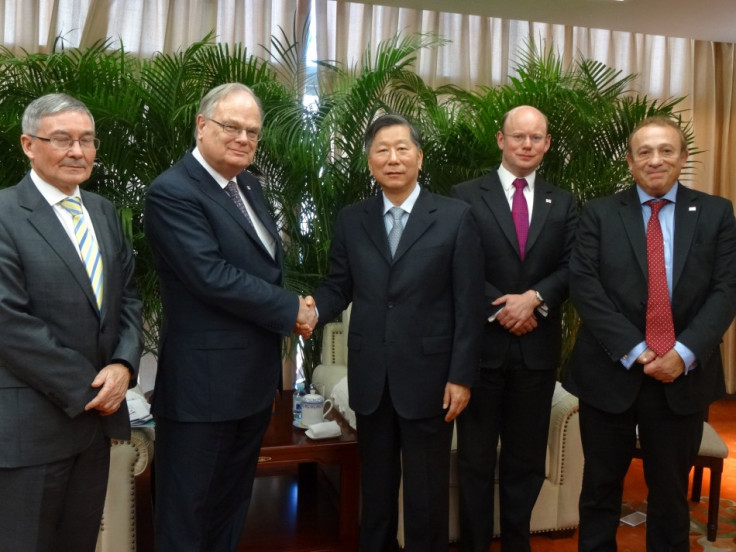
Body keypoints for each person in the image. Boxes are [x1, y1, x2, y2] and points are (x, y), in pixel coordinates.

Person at [144, 82, 317, 552]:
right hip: (203, 390)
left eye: (253, 132)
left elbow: (262, 266)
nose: (244, 139)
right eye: (232, 127)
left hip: (250, 384)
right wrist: (290, 309)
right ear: (202, 126)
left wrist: (292, 306)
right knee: (187, 516)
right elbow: (210, 276)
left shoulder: (248, 185)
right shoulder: (173, 191)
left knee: (231, 506)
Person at [301, 113, 485, 552]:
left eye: (403, 149)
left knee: (426, 496)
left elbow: (469, 303)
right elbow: (337, 285)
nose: (393, 158)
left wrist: (461, 376)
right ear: (370, 162)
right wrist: (310, 310)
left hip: (432, 379)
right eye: (382, 150)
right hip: (373, 378)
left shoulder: (456, 217)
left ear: (419, 158)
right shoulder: (352, 219)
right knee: (377, 494)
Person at [564, 115, 736, 551]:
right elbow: (585, 286)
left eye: (665, 150)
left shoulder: (716, 213)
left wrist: (683, 352)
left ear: (682, 157)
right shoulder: (599, 213)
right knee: (600, 491)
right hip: (609, 372)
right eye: (644, 151)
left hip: (683, 377)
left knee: (671, 497)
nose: (655, 160)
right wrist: (638, 350)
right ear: (629, 160)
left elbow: (726, 288)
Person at [0, 93, 143, 551]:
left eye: (86, 140)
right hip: (32, 431)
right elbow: (9, 324)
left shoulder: (103, 211)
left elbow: (128, 300)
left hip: (94, 435)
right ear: (28, 144)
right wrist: (94, 390)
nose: (77, 152)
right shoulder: (4, 213)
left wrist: (123, 367)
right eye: (62, 139)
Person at [451, 105, 577, 552]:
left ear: (546, 145)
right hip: (481, 351)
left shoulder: (563, 202)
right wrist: (502, 308)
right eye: (518, 136)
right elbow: (459, 265)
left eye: (536, 138)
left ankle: (517, 543)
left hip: (536, 352)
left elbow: (572, 267)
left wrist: (534, 300)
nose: (527, 145)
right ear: (500, 139)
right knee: (475, 460)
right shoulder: (465, 196)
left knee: (524, 461)